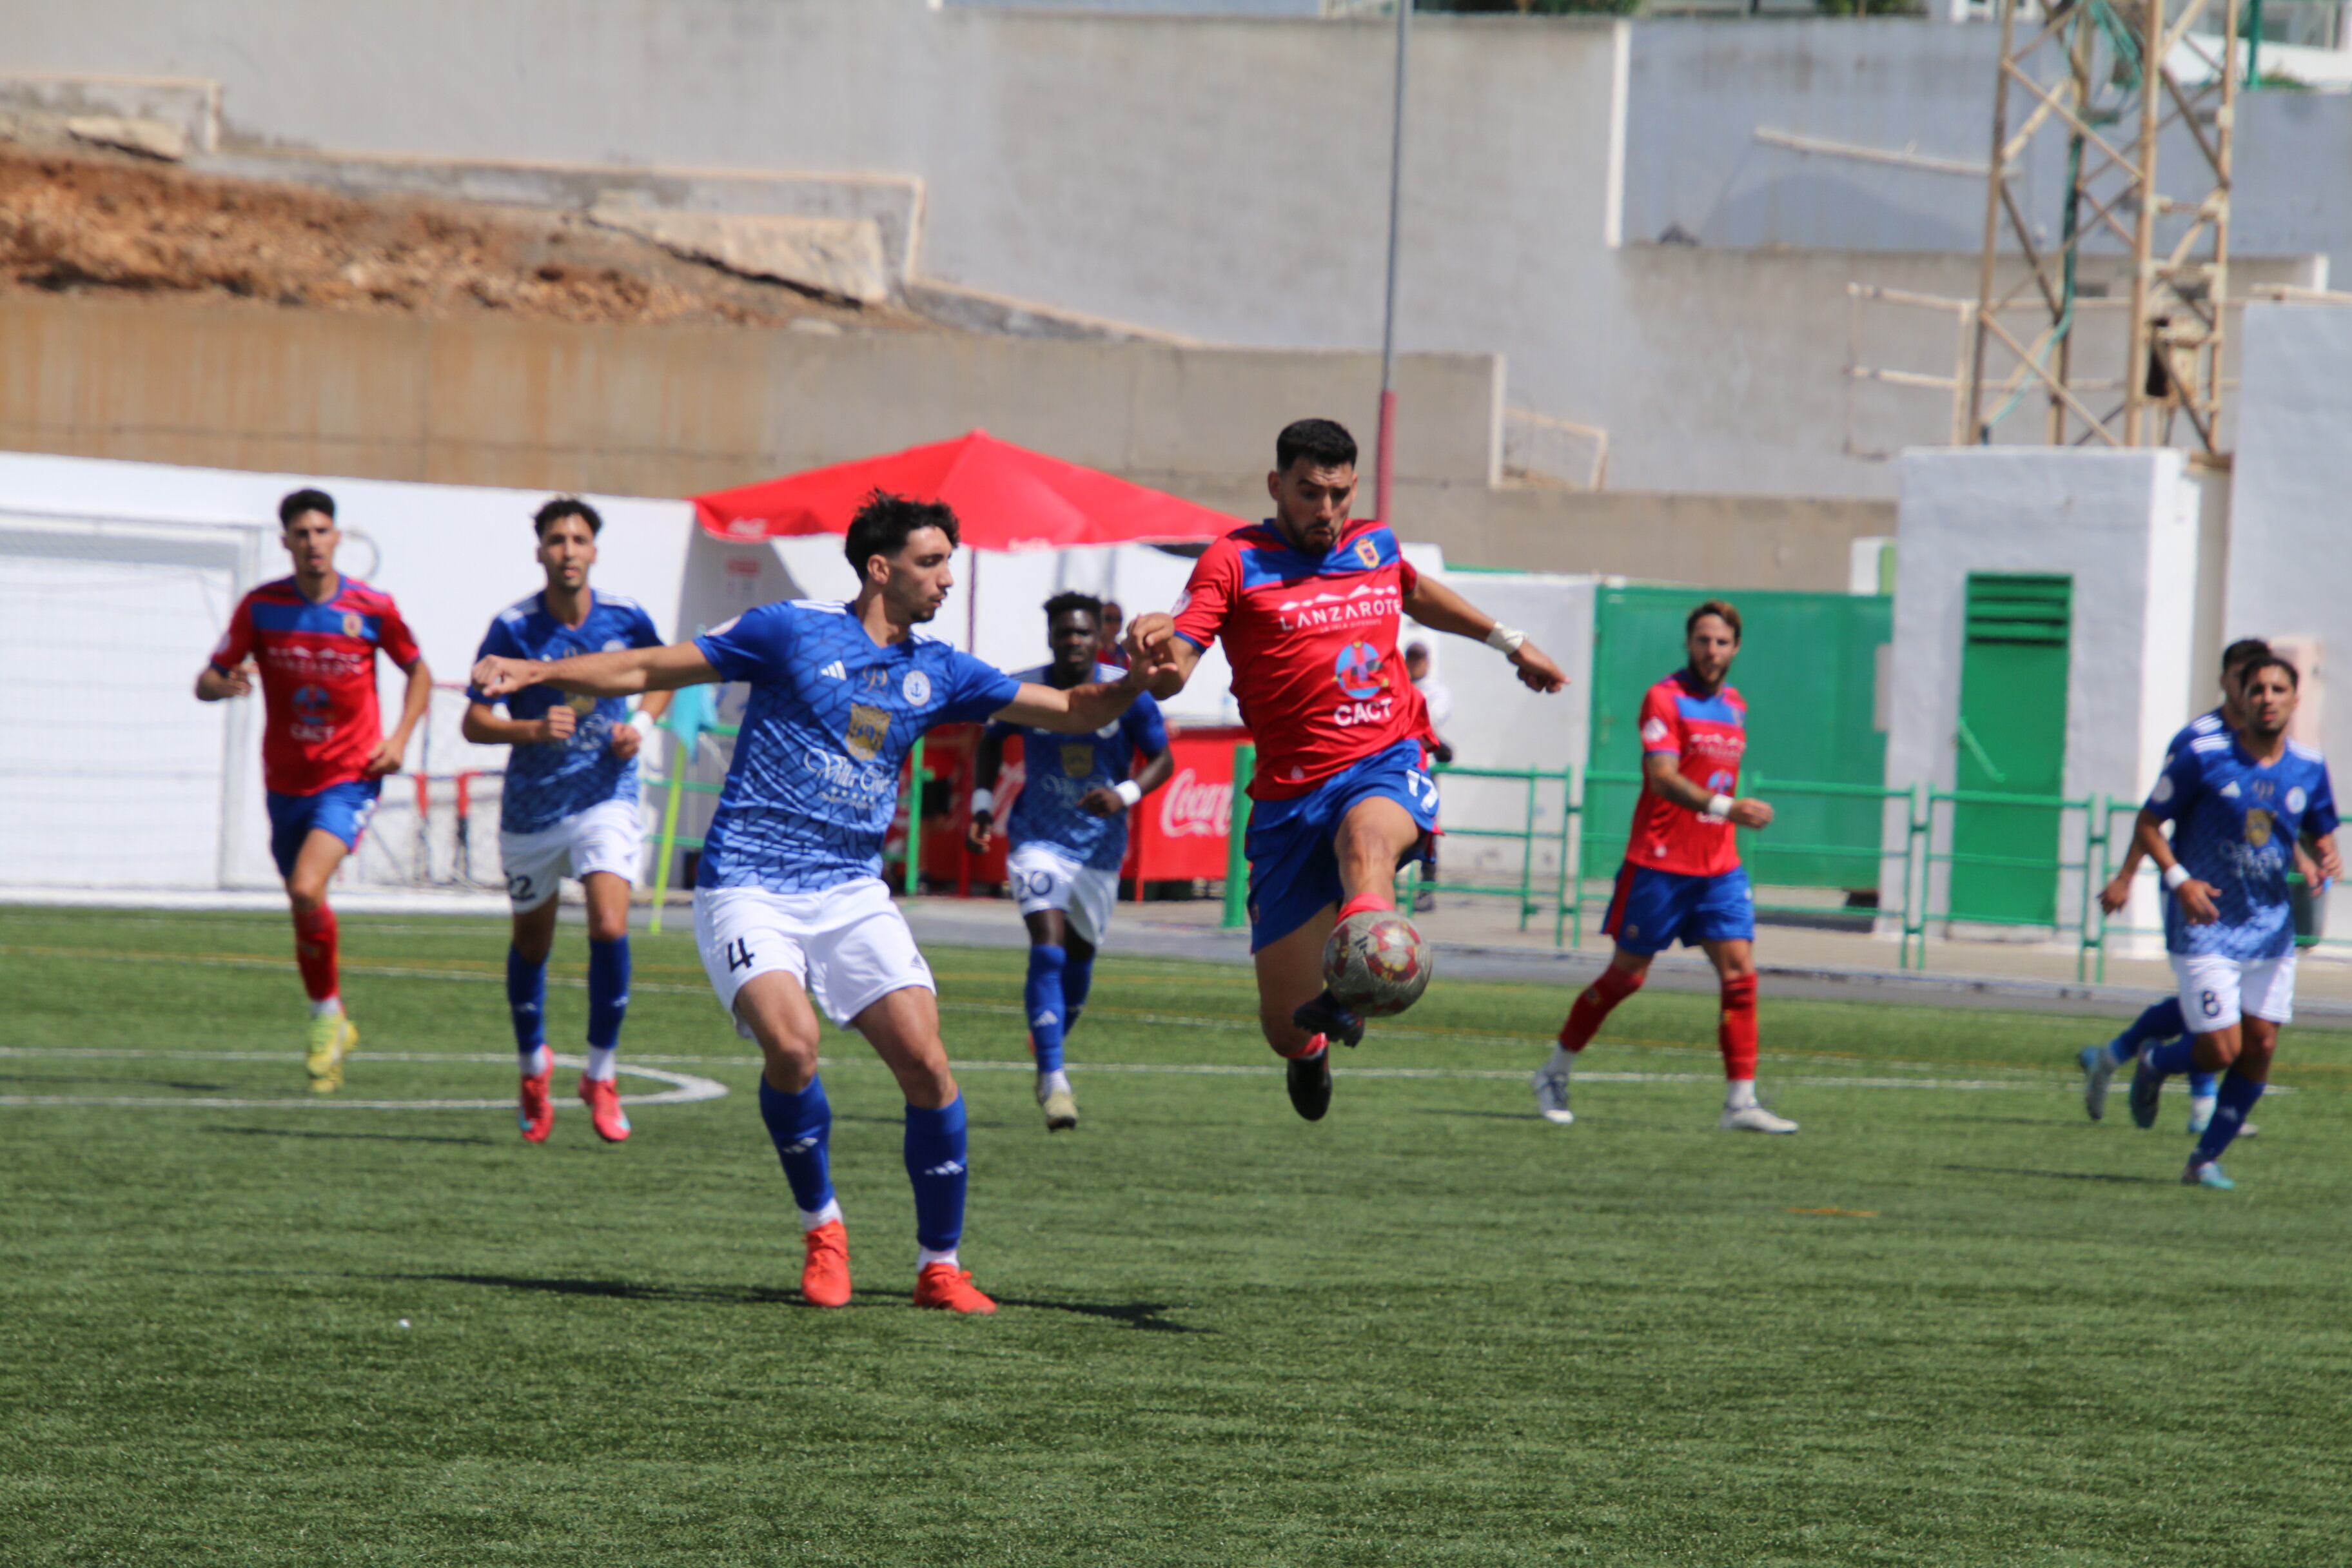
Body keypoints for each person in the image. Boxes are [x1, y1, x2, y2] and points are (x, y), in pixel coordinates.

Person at [472, 490, 1165, 1312]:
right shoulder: (788, 630)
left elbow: (1077, 707)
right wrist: (536, 670)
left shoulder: (940, 668)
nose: (948, 577)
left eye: (950, 559)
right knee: (793, 1047)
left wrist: (1143, 674)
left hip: (848, 889)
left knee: (927, 1062)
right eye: (932, 561)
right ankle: (822, 1227)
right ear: (881, 568)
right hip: (749, 884)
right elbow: (651, 666)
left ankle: (940, 1265)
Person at [1128, 418, 1567, 1122]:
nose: (1325, 510)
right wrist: (1150, 656)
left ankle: (1352, 990)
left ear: (1353, 487)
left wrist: (1509, 641)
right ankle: (1312, 1047)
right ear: (1277, 486)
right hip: (1289, 798)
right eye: (1307, 492)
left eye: (1337, 493)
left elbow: (1413, 590)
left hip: (1384, 758)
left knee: (1368, 846)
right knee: (1283, 1025)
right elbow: (1176, 669)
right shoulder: (1232, 561)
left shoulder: (1375, 544)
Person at [195, 488, 431, 1092]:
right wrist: (225, 685)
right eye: (301, 533)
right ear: (286, 543)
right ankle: (332, 1012)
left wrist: (400, 738)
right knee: (303, 902)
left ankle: (324, 1017)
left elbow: (418, 671)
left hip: (351, 777)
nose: (312, 542)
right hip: (285, 781)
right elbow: (209, 678)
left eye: (322, 531)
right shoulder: (262, 606)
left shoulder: (371, 607)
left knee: (306, 885)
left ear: (337, 538)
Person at [1532, 600, 1797, 1133]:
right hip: (1659, 863)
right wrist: (1729, 809)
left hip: (1719, 867)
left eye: (1721, 642)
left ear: (1736, 647)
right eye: (1702, 640)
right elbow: (1662, 777)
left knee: (1741, 974)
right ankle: (1554, 1071)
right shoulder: (1664, 697)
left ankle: (1739, 1102)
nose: (1711, 650)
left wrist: (1725, 819)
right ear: (1688, 643)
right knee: (1626, 978)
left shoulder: (1737, 705)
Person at [463, 498, 672, 1146]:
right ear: (540, 552)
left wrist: (639, 725)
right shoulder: (513, 627)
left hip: (604, 795)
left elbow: (666, 673)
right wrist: (528, 726)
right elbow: (473, 720)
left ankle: (601, 1075)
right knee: (532, 944)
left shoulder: (625, 616)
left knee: (611, 923)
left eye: (579, 539)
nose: (569, 550)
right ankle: (533, 1067)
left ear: (595, 551)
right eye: (557, 540)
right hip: (532, 808)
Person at [2124, 655, 2340, 1188]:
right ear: (2240, 698)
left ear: (2295, 699)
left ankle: (2203, 1160)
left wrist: (2325, 856)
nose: (2267, 697)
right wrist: (2181, 880)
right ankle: (2154, 1064)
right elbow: (2149, 822)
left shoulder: (2308, 767)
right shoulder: (2203, 757)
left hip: (2270, 928)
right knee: (2222, 1048)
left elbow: (2308, 826)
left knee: (2261, 1046)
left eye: (2278, 688)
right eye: (2258, 688)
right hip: (2208, 924)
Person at [966, 592, 1173, 1130]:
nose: (1074, 642)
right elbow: (991, 742)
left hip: (1100, 852)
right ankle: (1056, 1080)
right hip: (1037, 840)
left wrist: (1124, 794)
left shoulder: (1126, 691)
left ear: (1098, 638)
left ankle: (1048, 1048)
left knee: (1079, 964)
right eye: (1065, 633)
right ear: (1051, 637)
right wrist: (984, 806)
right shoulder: (1028, 687)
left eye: (1083, 633)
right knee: (1049, 948)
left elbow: (1162, 760)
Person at [2081, 639, 2286, 1132]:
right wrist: (2128, 876)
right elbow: (2155, 815)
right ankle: (2201, 1106)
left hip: (2248, 903)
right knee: (2212, 1006)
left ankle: (2112, 1056)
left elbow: (2266, 819)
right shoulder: (2197, 741)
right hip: (2193, 893)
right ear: (2226, 682)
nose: (2256, 690)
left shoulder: (2265, 746)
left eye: (2265, 681)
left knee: (2219, 1006)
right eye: (2245, 678)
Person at [1404, 642, 1455, 913]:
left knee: (1426, 828)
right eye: (1410, 659)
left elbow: (1427, 724)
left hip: (1424, 766)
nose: (1414, 665)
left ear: (1427, 662)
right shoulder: (1399, 686)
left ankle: (1427, 888)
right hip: (1398, 764)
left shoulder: (1437, 692)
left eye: (1418, 660)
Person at [1095, 599, 1131, 670]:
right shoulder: (1092, 651)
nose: (1114, 624)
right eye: (1108, 619)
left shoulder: (1123, 653)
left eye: (1118, 619)